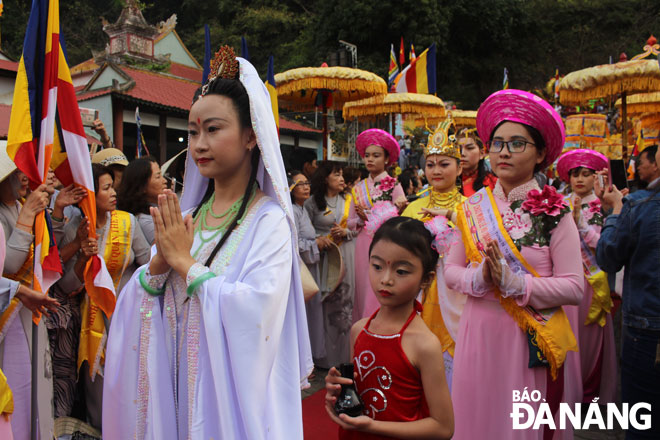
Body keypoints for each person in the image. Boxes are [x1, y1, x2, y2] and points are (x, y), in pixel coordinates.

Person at [102, 48, 312, 439]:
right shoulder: (190, 216)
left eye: (213, 129)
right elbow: (141, 299)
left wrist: (186, 264)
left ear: (251, 136)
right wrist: (159, 268)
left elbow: (257, 313)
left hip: (226, 401)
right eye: (194, 131)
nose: (198, 143)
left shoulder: (268, 222)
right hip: (178, 384)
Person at [444, 90, 583, 439]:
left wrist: (518, 284)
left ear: (540, 154)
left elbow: (575, 287)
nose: (503, 151)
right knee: (476, 419)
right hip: (478, 333)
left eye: (517, 143)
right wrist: (480, 277)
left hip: (526, 340)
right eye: (497, 143)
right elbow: (450, 272)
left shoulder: (555, 212)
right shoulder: (472, 208)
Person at [324, 216, 454, 440]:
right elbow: (358, 395)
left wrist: (372, 427)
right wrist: (337, 394)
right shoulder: (359, 330)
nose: (385, 279)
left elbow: (443, 427)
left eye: (401, 271)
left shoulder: (424, 344)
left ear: (427, 279)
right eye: (376, 266)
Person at [51, 164, 150, 430]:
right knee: (98, 394)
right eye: (106, 188)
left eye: (112, 187)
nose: (113, 193)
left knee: (131, 387)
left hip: (127, 319)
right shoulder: (76, 228)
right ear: (90, 195)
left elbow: (148, 265)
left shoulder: (128, 222)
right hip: (90, 322)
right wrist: (83, 255)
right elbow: (67, 284)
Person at [595, 146, 660, 440]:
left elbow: (608, 256)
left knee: (643, 418)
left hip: (647, 327)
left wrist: (615, 211)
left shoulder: (640, 205)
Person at [401, 117, 466, 392]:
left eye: (444, 164)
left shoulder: (470, 209)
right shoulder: (412, 209)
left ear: (460, 167)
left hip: (454, 299)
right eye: (430, 164)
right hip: (415, 294)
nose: (436, 170)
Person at [556, 149, 617, 404]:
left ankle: (588, 394)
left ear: (596, 178)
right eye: (574, 175)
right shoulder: (558, 202)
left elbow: (604, 244)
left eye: (585, 174)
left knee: (589, 340)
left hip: (592, 283)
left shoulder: (603, 206)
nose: (579, 180)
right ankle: (567, 391)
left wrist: (580, 224)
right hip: (564, 279)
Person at [305, 161, 357, 369]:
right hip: (323, 258)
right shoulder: (311, 203)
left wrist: (347, 232)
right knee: (324, 303)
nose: (342, 179)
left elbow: (360, 227)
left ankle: (344, 355)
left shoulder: (351, 201)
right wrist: (320, 239)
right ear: (326, 178)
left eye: (342, 175)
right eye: (337, 175)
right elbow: (303, 233)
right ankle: (322, 356)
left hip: (345, 254)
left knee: (345, 301)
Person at [352, 129, 406, 322]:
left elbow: (401, 217)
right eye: (367, 155)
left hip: (386, 241)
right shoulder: (358, 188)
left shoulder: (394, 185)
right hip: (363, 242)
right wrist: (359, 219)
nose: (370, 160)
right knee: (364, 286)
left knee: (382, 284)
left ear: (386, 159)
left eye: (376, 155)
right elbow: (351, 223)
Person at [289, 170, 330, 370]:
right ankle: (300, 363)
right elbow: (292, 244)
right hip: (299, 271)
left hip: (309, 267)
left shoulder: (302, 208)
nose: (306, 187)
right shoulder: (291, 210)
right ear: (290, 188)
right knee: (301, 316)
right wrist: (316, 244)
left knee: (311, 314)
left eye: (307, 183)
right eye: (300, 184)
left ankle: (308, 359)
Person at [117, 156, 167, 244]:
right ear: (142, 186)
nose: (164, 181)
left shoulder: (161, 208)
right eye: (158, 177)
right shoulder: (144, 220)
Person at [458, 128, 497, 197]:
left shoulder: (494, 184)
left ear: (481, 153)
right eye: (458, 149)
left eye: (469, 148)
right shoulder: (445, 182)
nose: (462, 153)